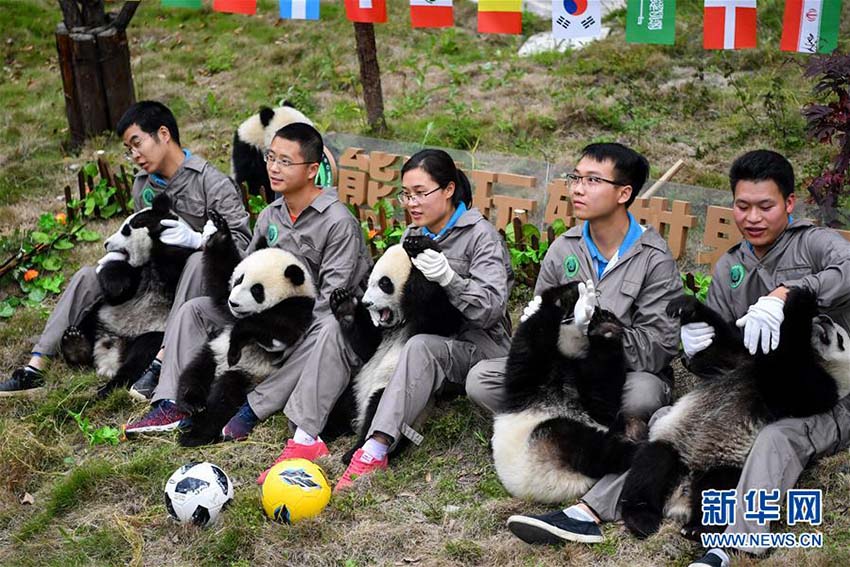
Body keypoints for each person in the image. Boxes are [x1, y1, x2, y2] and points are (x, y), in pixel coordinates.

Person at [509, 149, 850, 567]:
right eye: (743, 206)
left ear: (790, 204)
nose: (753, 218)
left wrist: (790, 294)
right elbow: (725, 359)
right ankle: (591, 511)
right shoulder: (731, 266)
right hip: (754, 386)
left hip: (827, 394)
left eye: (766, 206)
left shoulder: (816, 243)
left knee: (777, 439)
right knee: (666, 423)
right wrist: (697, 346)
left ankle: (737, 542)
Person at [257, 148, 514, 490]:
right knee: (339, 326)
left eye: (421, 193)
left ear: (449, 190)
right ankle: (306, 436)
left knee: (421, 347)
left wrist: (451, 280)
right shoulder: (412, 235)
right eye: (407, 194)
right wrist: (364, 314)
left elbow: (490, 309)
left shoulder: (481, 238)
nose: (412, 203)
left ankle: (375, 448)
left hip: (472, 346)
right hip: (410, 335)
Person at [123, 122, 372, 441]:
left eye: (285, 161)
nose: (274, 168)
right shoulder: (271, 215)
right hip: (263, 322)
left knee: (327, 327)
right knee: (194, 311)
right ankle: (172, 402)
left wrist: (277, 334)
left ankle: (254, 407)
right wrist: (219, 248)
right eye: (270, 158)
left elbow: (329, 302)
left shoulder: (338, 223)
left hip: (310, 330)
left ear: (312, 170)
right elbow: (243, 276)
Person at [0, 101, 251, 398]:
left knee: (197, 260)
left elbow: (243, 247)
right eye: (128, 149)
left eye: (137, 143)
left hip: (196, 288)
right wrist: (118, 258)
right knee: (87, 275)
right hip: (153, 288)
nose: (134, 155)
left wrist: (198, 240)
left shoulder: (211, 183)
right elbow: (139, 243)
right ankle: (35, 367)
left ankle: (160, 363)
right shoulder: (143, 185)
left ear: (163, 134)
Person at [467, 142, 681, 422]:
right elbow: (536, 329)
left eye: (593, 180)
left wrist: (594, 332)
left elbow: (658, 347)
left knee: (642, 395)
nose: (578, 189)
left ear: (624, 193)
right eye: (576, 178)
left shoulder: (654, 259)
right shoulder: (563, 248)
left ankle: (560, 420)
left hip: (621, 376)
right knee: (482, 380)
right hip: (565, 372)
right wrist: (544, 328)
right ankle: (575, 421)